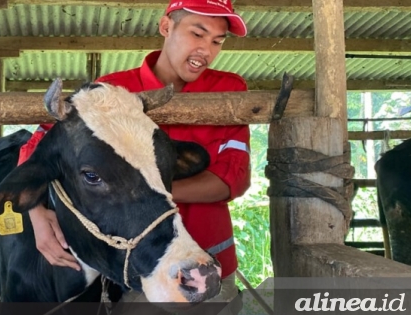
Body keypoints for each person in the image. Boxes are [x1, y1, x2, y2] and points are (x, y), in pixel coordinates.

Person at [20, 0, 251, 304]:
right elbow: (35, 150)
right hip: (135, 267)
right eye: (198, 34)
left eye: (217, 41)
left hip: (208, 260)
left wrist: (136, 191)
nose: (206, 50)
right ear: (167, 27)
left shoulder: (230, 91)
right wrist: (36, 214)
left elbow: (232, 179)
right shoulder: (111, 90)